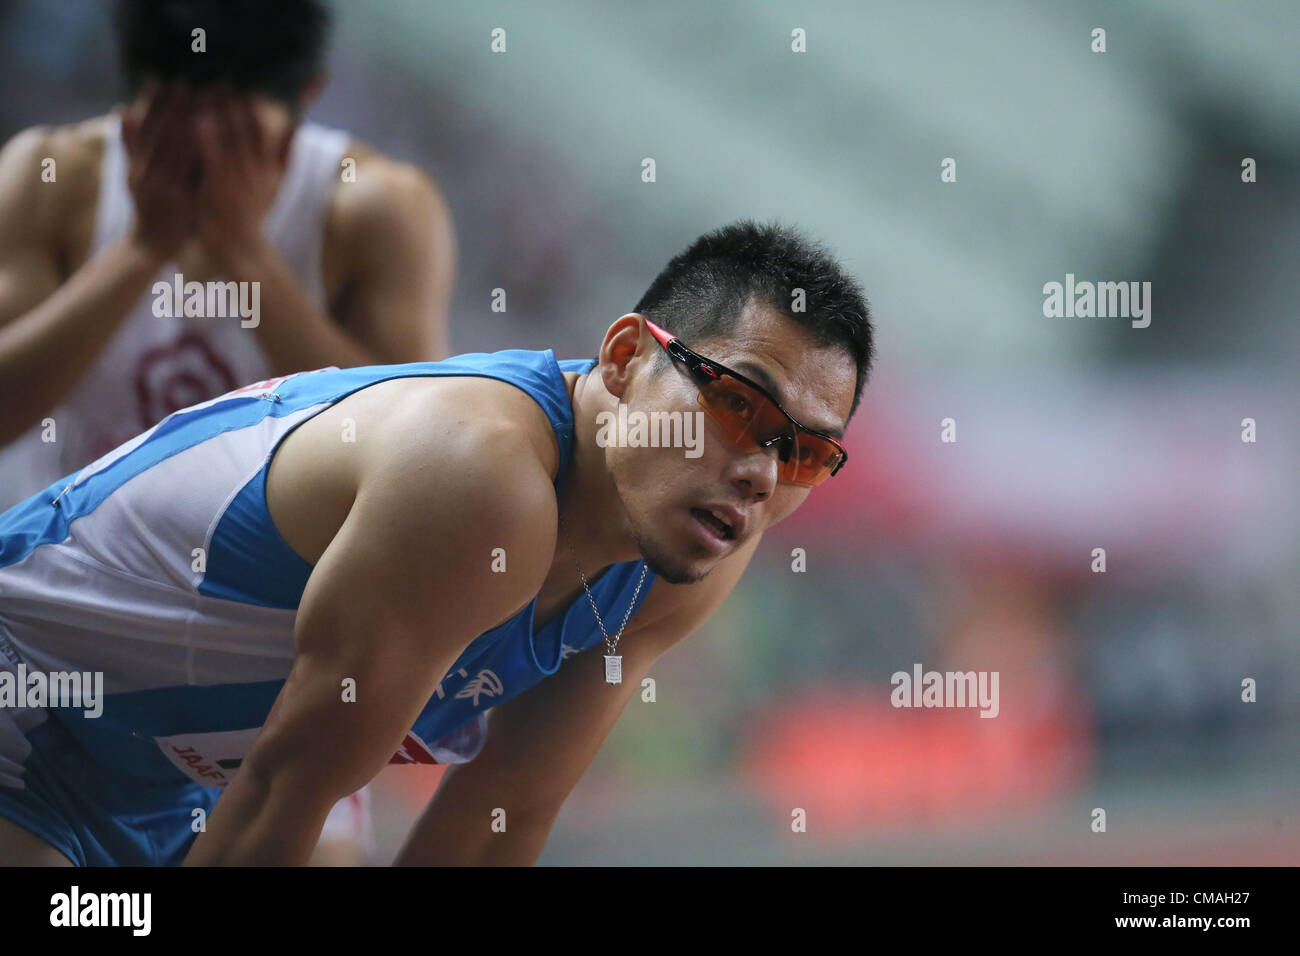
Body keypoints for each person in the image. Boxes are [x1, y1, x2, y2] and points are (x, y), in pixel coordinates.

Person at [0, 221, 873, 866]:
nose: (763, 470)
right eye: (738, 404)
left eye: (804, 451)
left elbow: (500, 820)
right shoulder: (479, 476)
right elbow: (280, 793)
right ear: (622, 358)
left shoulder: (685, 553)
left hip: (164, 794)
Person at [0, 0, 456, 861]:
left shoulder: (378, 210)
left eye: (240, 139)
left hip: (260, 679)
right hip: (57, 643)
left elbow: (414, 452)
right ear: (130, 99)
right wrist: (140, 248)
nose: (203, 161)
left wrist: (249, 258)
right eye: (171, 129)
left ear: (308, 102)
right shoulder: (51, 177)